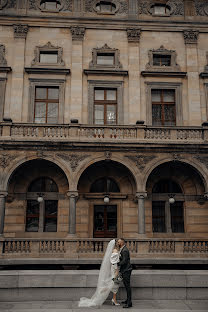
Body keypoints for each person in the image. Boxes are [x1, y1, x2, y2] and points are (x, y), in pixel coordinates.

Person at [78, 239, 121, 307]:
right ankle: (105, 291)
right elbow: (115, 261)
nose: (119, 243)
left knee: (116, 284)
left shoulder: (113, 251)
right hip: (115, 268)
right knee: (114, 283)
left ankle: (113, 298)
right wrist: (117, 270)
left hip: (114, 267)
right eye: (118, 242)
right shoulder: (115, 251)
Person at [117, 238, 133, 308]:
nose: (117, 243)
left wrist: (117, 263)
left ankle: (129, 303)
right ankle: (128, 300)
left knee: (127, 286)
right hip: (124, 270)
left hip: (126, 270)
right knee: (126, 286)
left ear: (122, 243)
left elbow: (124, 261)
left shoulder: (125, 250)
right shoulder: (123, 249)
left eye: (118, 242)